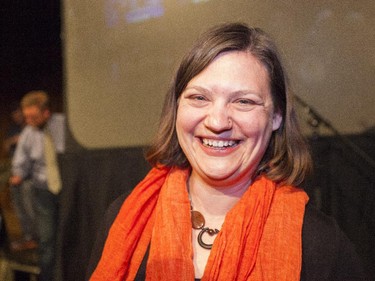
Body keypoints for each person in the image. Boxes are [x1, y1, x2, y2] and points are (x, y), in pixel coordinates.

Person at [87, 23, 367, 280]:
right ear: (176, 109)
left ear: (276, 117)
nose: (217, 122)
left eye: (244, 101)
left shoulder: (319, 243)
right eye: (199, 98)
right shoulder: (124, 217)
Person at [10, 90, 65, 281]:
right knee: (47, 238)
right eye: (26, 117)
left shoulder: (62, 125)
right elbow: (20, 161)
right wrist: (18, 174)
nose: (29, 121)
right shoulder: (28, 133)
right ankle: (48, 277)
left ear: (46, 113)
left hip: (66, 188)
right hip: (43, 190)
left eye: (33, 116)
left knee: (67, 233)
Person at [3, 102, 38, 251]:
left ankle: (34, 238)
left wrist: (21, 175)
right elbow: (6, 147)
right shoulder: (14, 130)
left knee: (29, 206)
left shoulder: (32, 130)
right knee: (19, 207)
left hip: (29, 177)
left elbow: (33, 156)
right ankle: (28, 237)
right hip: (16, 173)